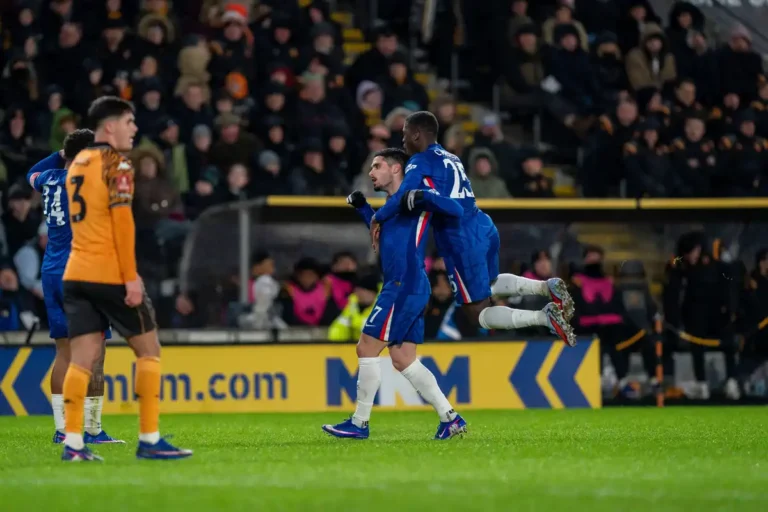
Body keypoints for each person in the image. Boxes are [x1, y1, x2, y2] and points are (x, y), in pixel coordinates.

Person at [370, 111, 576, 346]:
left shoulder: (419, 161)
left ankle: (543, 317)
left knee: (476, 314)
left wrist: (378, 217)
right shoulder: (452, 158)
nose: (403, 140)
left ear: (417, 134)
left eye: (405, 135)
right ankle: (545, 287)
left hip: (459, 240)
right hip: (482, 225)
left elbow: (402, 196)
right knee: (489, 283)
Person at [59, 96, 191, 462]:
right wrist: (130, 277)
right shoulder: (116, 163)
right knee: (149, 351)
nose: (134, 129)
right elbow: (122, 223)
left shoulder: (77, 163)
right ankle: (149, 439)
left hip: (75, 273)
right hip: (107, 273)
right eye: (129, 122)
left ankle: (74, 444)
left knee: (81, 360)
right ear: (110, 126)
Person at [322, 148, 467, 440]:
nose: (371, 172)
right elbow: (383, 233)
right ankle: (450, 418)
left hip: (403, 284)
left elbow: (455, 209)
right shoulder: (393, 205)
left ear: (396, 169)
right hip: (409, 285)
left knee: (366, 347)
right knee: (402, 358)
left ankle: (359, 423)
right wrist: (363, 209)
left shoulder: (413, 196)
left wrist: (426, 196)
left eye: (377, 166)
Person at [26, 130, 123, 445]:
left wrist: (62, 154)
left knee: (64, 352)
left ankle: (62, 429)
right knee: (96, 352)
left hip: (52, 271)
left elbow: (31, 174)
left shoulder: (48, 179)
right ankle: (92, 430)